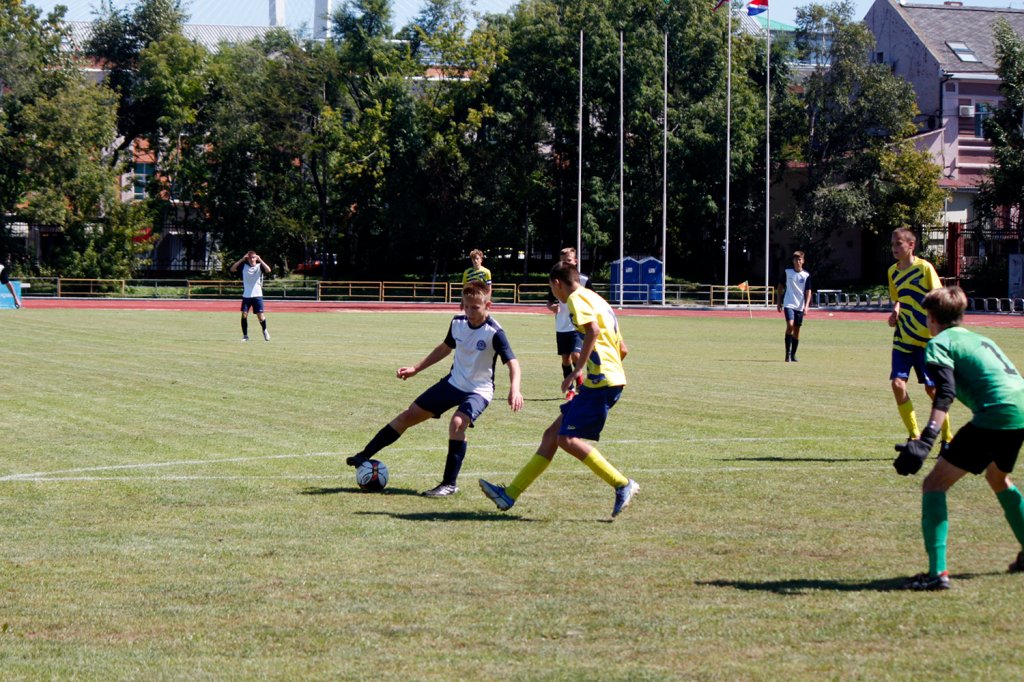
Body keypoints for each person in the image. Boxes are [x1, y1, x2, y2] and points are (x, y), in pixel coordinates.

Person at [479, 262, 639, 518]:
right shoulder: (597, 299)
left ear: (556, 283)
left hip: (602, 383)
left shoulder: (575, 299)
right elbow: (623, 349)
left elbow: (593, 331)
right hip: (604, 381)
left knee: (567, 439)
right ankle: (509, 494)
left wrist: (578, 370)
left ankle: (622, 484)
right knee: (552, 434)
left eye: (552, 289)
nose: (554, 295)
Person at [893, 286, 1024, 590]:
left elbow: (945, 393)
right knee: (997, 478)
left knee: (934, 485)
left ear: (931, 317)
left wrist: (926, 440)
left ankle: (937, 574)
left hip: (996, 414)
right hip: (1020, 410)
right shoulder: (980, 338)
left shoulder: (939, 343)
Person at [346, 280, 523, 497]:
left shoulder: (494, 332)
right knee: (408, 415)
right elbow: (444, 349)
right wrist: (415, 369)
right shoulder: (457, 322)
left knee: (457, 423)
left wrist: (515, 389)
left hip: (479, 390)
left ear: (488, 305)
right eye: (466, 306)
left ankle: (449, 484)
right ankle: (364, 455)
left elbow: (513, 363)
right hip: (453, 383)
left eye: (475, 307)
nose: (469, 312)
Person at [887, 228, 951, 447]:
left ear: (911, 245)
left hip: (926, 341)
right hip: (903, 338)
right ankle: (914, 436)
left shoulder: (924, 268)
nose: (894, 248)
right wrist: (895, 311)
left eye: (899, 244)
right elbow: (898, 299)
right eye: (893, 244)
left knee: (932, 390)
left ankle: (947, 437)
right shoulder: (892, 272)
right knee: (897, 384)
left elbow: (938, 297)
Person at [547, 247, 590, 399]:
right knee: (566, 359)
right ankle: (570, 389)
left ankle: (581, 384)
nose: (566, 264)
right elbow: (549, 302)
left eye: (569, 261)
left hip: (578, 325)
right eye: (563, 261)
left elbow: (592, 298)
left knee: (576, 354)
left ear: (575, 261)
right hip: (562, 325)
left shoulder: (584, 280)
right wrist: (552, 307)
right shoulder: (556, 280)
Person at [775, 250, 811, 362]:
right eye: (796, 259)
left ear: (803, 261)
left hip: (800, 306)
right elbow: (780, 287)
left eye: (800, 259)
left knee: (796, 330)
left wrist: (806, 306)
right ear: (793, 261)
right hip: (788, 303)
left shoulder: (806, 275)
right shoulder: (787, 272)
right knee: (790, 325)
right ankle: (787, 354)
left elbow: (808, 291)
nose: (798, 261)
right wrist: (779, 302)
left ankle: (793, 355)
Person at [230, 251, 271, 342]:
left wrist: (260, 259)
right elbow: (232, 269)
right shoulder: (244, 266)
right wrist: (241, 259)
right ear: (247, 258)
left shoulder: (259, 266)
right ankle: (245, 336)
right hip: (246, 295)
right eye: (250, 258)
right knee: (244, 315)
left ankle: (265, 330)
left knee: (260, 316)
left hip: (257, 295)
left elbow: (268, 270)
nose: (252, 259)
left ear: (256, 258)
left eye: (253, 257)